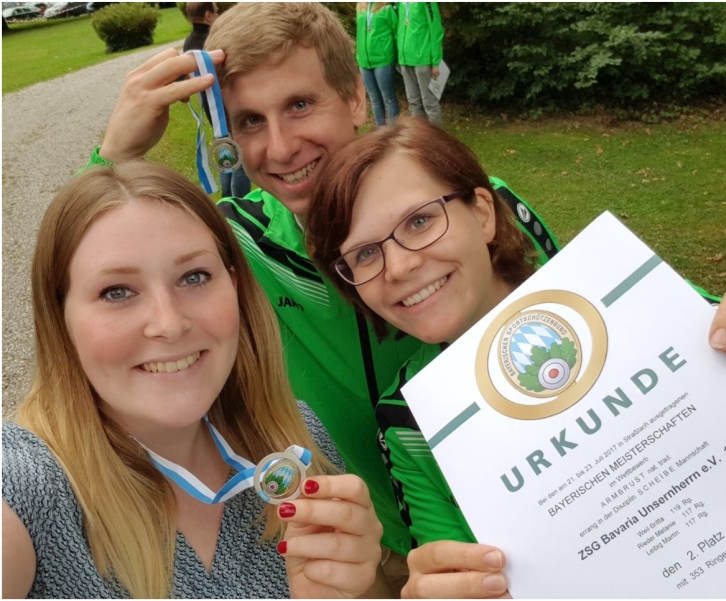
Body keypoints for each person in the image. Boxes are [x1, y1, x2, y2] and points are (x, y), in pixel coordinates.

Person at [82, 3, 560, 585]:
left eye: (300, 105)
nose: (281, 148)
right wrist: (114, 156)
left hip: (541, 506)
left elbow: (590, 330)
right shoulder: (235, 245)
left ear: (356, 97)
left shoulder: (467, 206)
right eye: (250, 121)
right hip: (358, 549)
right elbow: (92, 290)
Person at [305, 116, 726, 598]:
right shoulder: (409, 423)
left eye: (419, 221)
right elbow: (454, 569)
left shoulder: (627, 295)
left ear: (483, 213)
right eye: (364, 254)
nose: (398, 266)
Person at [2, 162, 386, 599]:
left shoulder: (295, 443)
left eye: (194, 277)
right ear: (60, 318)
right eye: (117, 292)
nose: (169, 324)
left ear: (235, 287)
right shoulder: (25, 484)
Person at [182, 1, 251, 198]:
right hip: (227, 108)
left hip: (211, 108)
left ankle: (226, 200)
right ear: (208, 16)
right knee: (240, 160)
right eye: (216, 11)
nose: (218, 15)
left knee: (224, 151)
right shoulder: (215, 42)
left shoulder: (189, 43)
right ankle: (238, 203)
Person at [397, 1, 444, 127]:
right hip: (405, 59)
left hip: (423, 59)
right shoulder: (400, 3)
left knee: (429, 101)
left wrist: (436, 62)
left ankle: (435, 135)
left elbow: (436, 30)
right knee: (413, 102)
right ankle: (419, 134)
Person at [356, 2, 401, 127]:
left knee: (388, 98)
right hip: (364, 61)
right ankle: (380, 131)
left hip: (383, 59)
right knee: (374, 99)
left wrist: (398, 56)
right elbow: (360, 33)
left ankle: (394, 131)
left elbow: (397, 32)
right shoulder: (360, 6)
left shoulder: (387, 8)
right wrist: (359, 55)